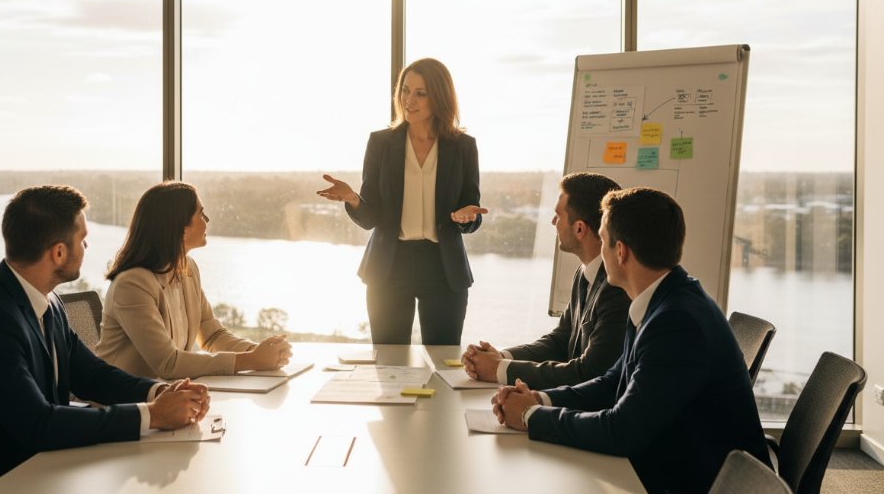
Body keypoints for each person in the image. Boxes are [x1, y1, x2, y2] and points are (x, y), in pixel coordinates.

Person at [0, 185, 209, 482]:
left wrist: (159, 392)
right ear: (59, 253)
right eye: (83, 239)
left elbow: (92, 375)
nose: (87, 247)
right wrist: (153, 416)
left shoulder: (46, 301)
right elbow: (39, 424)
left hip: (31, 470)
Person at [492, 187, 770, 494]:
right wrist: (540, 399)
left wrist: (532, 417)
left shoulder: (677, 323)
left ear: (621, 251)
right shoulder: (662, 297)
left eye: (603, 240)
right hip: (673, 459)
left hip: (695, 480)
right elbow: (614, 381)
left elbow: (622, 431)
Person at [318, 58, 488, 345]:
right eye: (405, 90)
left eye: (421, 93)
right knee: (389, 363)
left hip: (443, 269)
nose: (409, 100)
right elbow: (371, 216)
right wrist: (352, 198)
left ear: (440, 96)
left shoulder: (463, 146)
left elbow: (472, 210)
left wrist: (467, 218)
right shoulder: (381, 143)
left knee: (444, 361)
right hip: (390, 267)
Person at [96, 181, 292, 379]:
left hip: (167, 395)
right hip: (122, 403)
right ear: (180, 228)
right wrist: (253, 360)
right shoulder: (132, 284)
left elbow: (212, 335)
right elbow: (168, 363)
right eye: (200, 214)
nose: (207, 220)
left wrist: (262, 352)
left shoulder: (187, 269)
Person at [462, 172, 629, 389]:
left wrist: (498, 369)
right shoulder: (585, 271)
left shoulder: (617, 287)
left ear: (579, 228)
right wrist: (501, 357)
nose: (553, 222)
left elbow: (590, 372)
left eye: (558, 215)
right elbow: (561, 340)